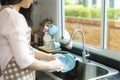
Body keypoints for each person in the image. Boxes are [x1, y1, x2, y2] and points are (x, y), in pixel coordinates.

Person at [0, 0, 63, 80]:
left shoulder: (4, 13)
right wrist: (50, 65)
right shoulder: (13, 17)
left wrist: (49, 57)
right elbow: (25, 61)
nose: (34, 0)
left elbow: (25, 48)